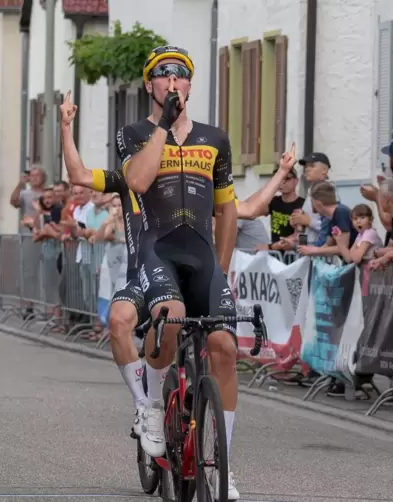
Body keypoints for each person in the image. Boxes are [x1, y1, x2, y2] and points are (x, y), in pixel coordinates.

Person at [121, 45, 240, 499]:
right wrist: (165, 128)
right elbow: (138, 182)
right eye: (163, 76)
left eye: (181, 76)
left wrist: (222, 270)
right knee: (169, 315)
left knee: (224, 346)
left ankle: (222, 462)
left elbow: (227, 210)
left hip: (203, 255)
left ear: (190, 85)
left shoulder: (216, 139)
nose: (173, 83)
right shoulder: (134, 133)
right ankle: (152, 407)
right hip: (159, 249)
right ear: (150, 86)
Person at [298, 182, 357, 258]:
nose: (313, 210)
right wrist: (312, 252)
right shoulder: (330, 217)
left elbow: (342, 248)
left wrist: (315, 250)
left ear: (318, 203)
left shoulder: (340, 212)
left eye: (312, 203)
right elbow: (329, 244)